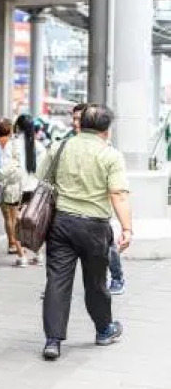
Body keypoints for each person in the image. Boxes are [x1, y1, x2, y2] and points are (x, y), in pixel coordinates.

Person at [39, 104, 133, 361]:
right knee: (96, 283)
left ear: (80, 124)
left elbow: (42, 176)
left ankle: (53, 341)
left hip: (61, 224)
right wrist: (127, 228)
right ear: (106, 129)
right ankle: (104, 330)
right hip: (95, 227)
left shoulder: (60, 147)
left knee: (57, 281)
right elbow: (118, 194)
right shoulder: (110, 155)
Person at [68, 103, 125, 294]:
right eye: (74, 119)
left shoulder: (104, 146)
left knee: (108, 245)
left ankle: (116, 277)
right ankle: (59, 287)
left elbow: (114, 188)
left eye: (78, 119)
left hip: (98, 207)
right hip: (72, 209)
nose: (75, 123)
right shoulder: (68, 144)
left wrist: (126, 227)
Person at [11, 114, 47, 267]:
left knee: (16, 223)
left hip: (17, 190)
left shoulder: (13, 145)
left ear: (17, 127)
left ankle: (22, 257)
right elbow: (44, 170)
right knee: (35, 223)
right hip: (35, 190)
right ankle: (39, 255)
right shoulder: (39, 146)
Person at [0, 118, 21, 256]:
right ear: (10, 129)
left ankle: (11, 243)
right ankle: (16, 244)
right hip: (12, 182)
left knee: (6, 216)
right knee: (14, 215)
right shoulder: (14, 144)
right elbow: (17, 162)